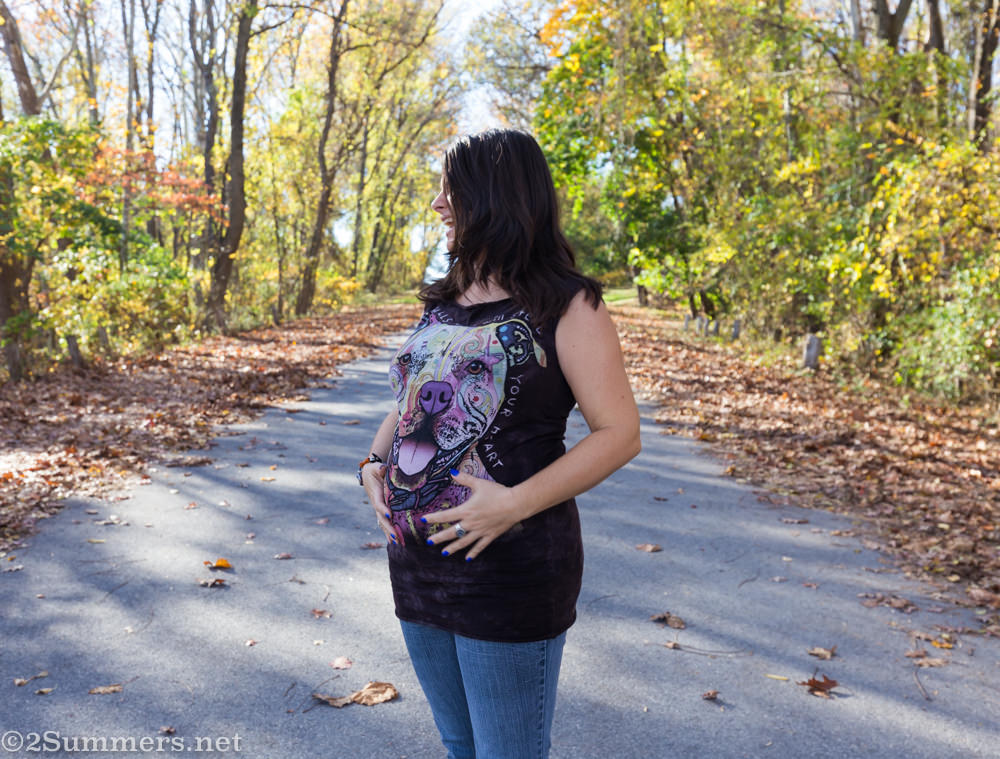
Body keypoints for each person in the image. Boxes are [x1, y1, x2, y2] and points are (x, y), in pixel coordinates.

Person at [358, 128, 640, 759]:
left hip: (510, 572)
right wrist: (375, 462)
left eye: (449, 189)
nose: (437, 205)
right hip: (417, 563)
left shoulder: (569, 305)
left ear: (496, 196)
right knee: (460, 745)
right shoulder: (441, 301)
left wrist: (513, 504)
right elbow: (408, 402)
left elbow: (620, 435)